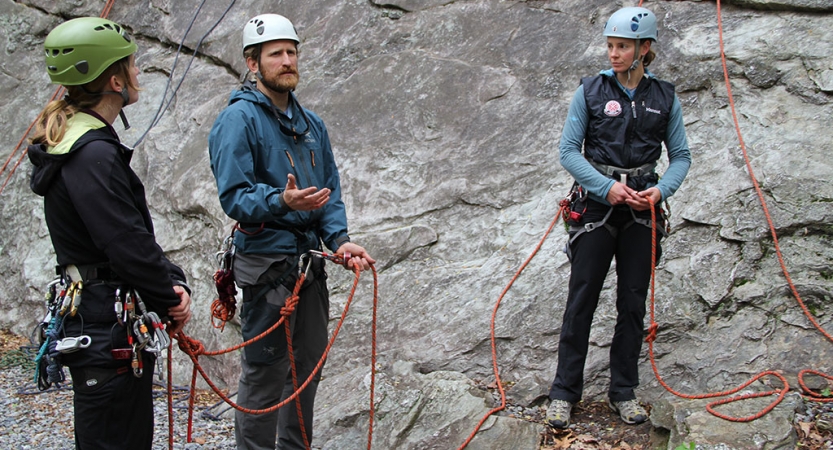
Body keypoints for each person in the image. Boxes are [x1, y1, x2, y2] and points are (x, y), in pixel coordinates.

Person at [208, 13, 375, 450]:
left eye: (292, 52)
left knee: (306, 373)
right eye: (276, 54)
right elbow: (234, 196)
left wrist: (339, 240)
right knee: (265, 374)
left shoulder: (311, 125)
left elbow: (329, 192)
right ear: (252, 63)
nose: (287, 61)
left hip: (308, 266)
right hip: (266, 264)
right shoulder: (237, 121)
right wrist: (281, 201)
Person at [27, 17, 192, 449]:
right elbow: (122, 241)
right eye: (133, 65)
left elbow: (124, 234)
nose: (139, 73)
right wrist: (169, 295)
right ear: (115, 80)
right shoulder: (91, 153)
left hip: (102, 320)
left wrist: (166, 279)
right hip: (106, 326)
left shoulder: (80, 146)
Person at [545, 6, 691, 429]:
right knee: (582, 297)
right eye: (610, 45)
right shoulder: (590, 91)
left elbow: (680, 156)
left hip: (642, 210)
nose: (613, 54)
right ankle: (563, 391)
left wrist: (660, 190)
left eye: (622, 46)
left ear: (644, 49)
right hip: (595, 205)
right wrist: (604, 186)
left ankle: (623, 391)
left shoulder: (664, 97)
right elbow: (569, 151)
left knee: (632, 303)